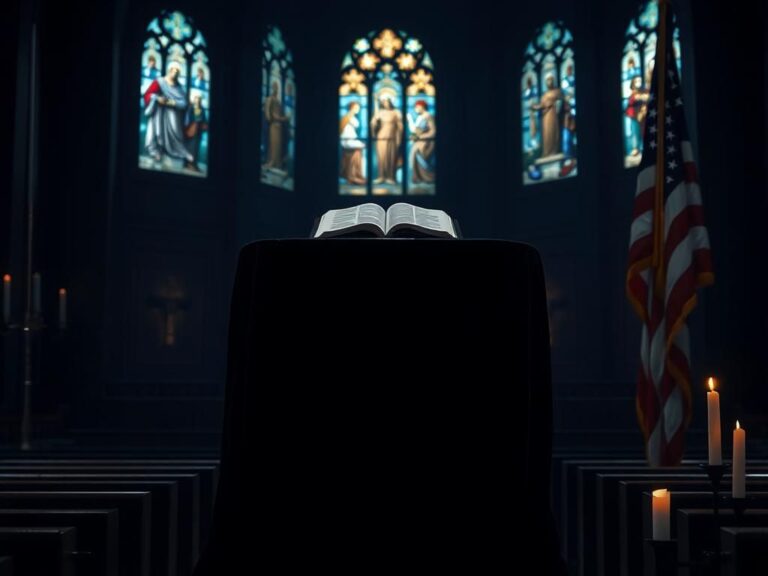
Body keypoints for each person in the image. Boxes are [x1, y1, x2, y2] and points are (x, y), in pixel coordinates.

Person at [143, 61, 196, 170]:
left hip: (173, 118)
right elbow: (148, 94)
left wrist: (172, 102)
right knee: (155, 131)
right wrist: (157, 98)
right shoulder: (160, 82)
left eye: (177, 71)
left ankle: (177, 151)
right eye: (173, 70)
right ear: (169, 70)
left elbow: (184, 103)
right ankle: (155, 150)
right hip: (158, 114)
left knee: (176, 135)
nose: (175, 73)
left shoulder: (180, 88)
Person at [370, 94, 403, 184]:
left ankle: (391, 177)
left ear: (391, 102)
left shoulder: (396, 112)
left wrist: (399, 138)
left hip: (392, 138)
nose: (386, 104)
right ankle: (381, 177)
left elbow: (400, 126)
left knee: (391, 158)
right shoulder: (380, 112)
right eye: (384, 102)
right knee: (381, 158)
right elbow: (374, 123)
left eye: (387, 102)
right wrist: (374, 123)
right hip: (381, 137)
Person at [530, 75, 562, 158]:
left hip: (553, 116)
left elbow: (561, 101)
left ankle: (554, 150)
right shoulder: (544, 96)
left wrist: (558, 104)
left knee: (553, 131)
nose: (549, 82)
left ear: (553, 81)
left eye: (551, 80)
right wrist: (534, 107)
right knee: (547, 134)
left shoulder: (557, 91)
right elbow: (541, 105)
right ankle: (547, 151)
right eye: (547, 80)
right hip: (545, 117)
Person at [263, 81, 289, 170]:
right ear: (272, 88)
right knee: (273, 144)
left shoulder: (278, 101)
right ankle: (271, 161)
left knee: (278, 145)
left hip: (279, 127)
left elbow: (280, 113)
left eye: (277, 88)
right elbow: (270, 113)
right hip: (273, 126)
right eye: (275, 87)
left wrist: (285, 118)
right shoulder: (270, 99)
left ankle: (277, 163)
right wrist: (282, 119)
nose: (276, 89)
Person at [408, 100, 436, 184]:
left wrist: (420, 137)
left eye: (417, 107)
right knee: (415, 156)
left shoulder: (428, 116)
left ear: (422, 107)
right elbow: (417, 131)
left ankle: (428, 177)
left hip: (426, 143)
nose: (415, 109)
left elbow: (433, 131)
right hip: (420, 142)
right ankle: (419, 177)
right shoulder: (421, 117)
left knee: (419, 156)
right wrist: (413, 137)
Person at [339, 101, 366, 185]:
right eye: (356, 107)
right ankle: (352, 175)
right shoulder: (347, 117)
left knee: (359, 151)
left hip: (350, 140)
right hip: (347, 141)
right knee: (360, 148)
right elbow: (342, 130)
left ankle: (355, 173)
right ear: (352, 108)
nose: (358, 109)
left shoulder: (350, 116)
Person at [624, 76, 649, 157]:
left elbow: (647, 100)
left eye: (640, 80)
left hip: (644, 115)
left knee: (645, 131)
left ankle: (645, 147)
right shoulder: (632, 94)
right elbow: (629, 106)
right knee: (635, 133)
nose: (638, 82)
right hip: (635, 116)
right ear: (633, 83)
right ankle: (635, 148)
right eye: (637, 81)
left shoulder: (645, 91)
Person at [184, 93, 208, 171]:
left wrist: (203, 124)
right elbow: (188, 119)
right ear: (194, 99)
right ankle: (188, 164)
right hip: (191, 131)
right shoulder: (191, 108)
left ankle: (194, 164)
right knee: (190, 147)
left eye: (199, 99)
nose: (198, 100)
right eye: (196, 98)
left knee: (196, 149)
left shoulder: (203, 109)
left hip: (198, 132)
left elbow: (204, 119)